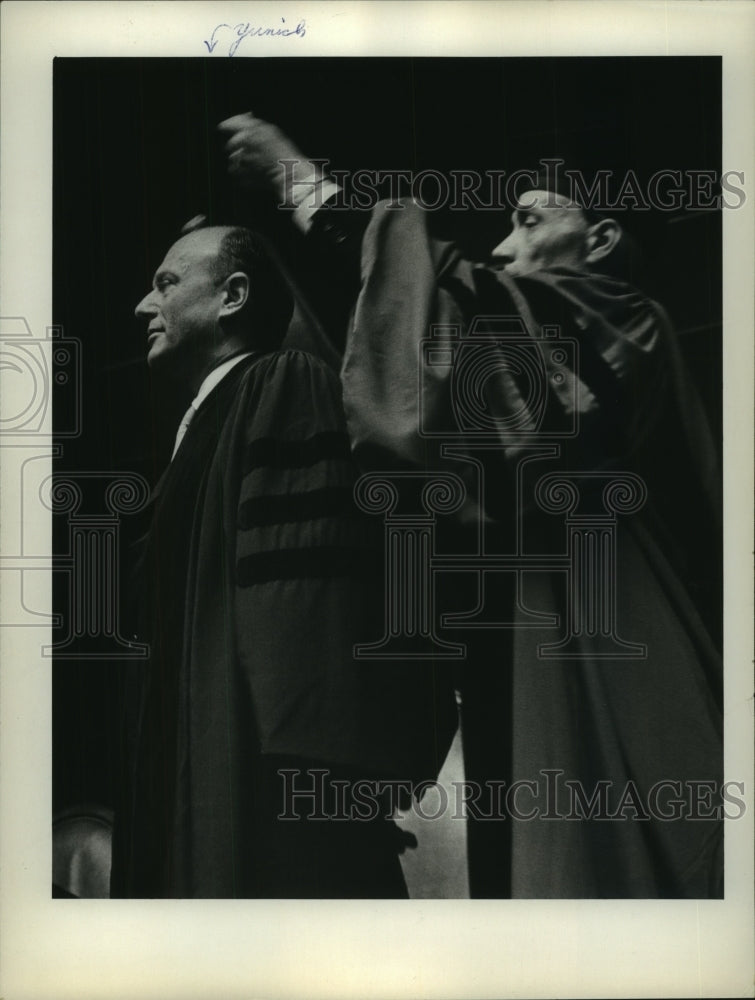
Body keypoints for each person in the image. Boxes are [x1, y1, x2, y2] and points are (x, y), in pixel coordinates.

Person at [218, 113, 724, 898]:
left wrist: (302, 183)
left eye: (529, 220)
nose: (500, 245)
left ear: (599, 241)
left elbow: (470, 331)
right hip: (527, 625)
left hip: (608, 632)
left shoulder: (630, 324)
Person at [110, 222, 456, 898]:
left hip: (263, 792)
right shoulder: (208, 424)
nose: (142, 307)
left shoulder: (282, 382)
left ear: (233, 295)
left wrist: (308, 785)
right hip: (193, 757)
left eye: (166, 284)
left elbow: (307, 599)